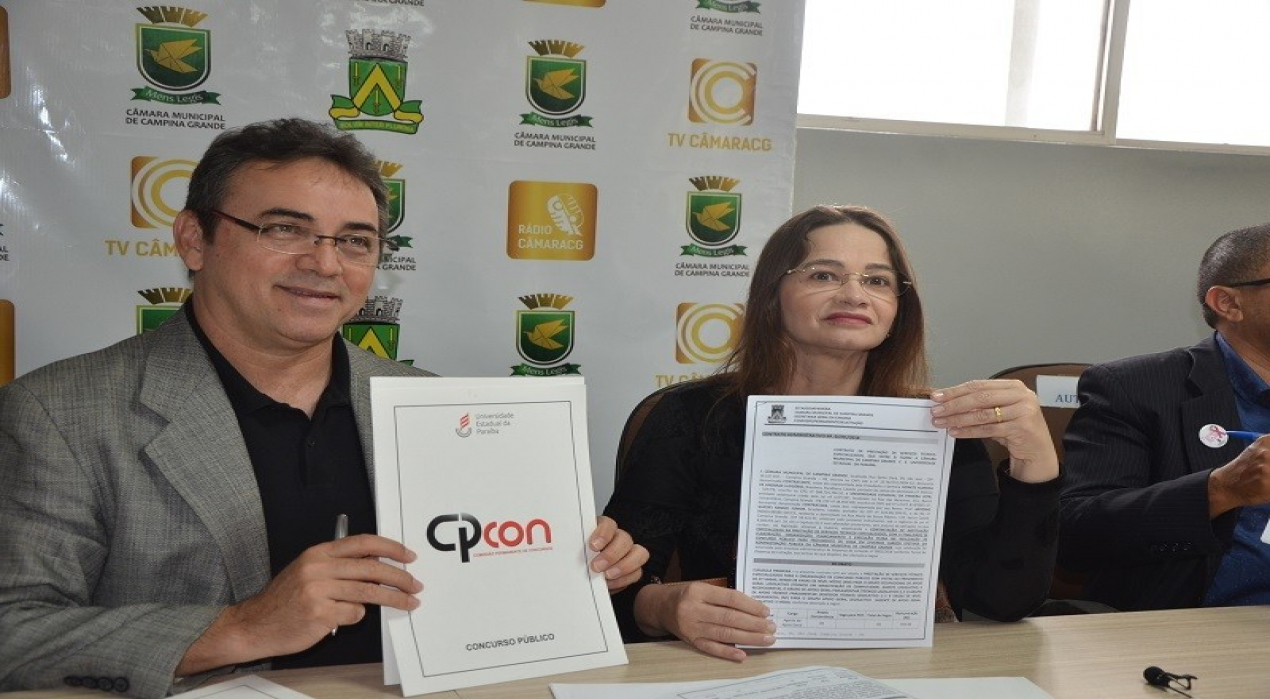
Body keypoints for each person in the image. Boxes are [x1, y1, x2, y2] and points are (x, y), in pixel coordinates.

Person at [0, 118, 646, 697]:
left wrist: (570, 570)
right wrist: (242, 627)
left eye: (355, 241)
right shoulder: (61, 413)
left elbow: (483, 591)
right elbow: (14, 631)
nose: (325, 263)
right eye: (285, 229)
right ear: (194, 239)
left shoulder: (430, 405)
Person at [604, 205, 1061, 661]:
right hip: (738, 666)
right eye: (824, 275)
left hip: (902, 667)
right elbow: (613, 588)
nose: (855, 295)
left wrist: (1035, 461)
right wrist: (661, 607)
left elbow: (1003, 601)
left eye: (877, 281)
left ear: (898, 310)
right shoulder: (690, 417)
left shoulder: (939, 425)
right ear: (772, 295)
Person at [1060, 223, 1270, 611]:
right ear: (1228, 303)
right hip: (1198, 625)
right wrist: (1221, 490)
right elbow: (1076, 533)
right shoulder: (1132, 387)